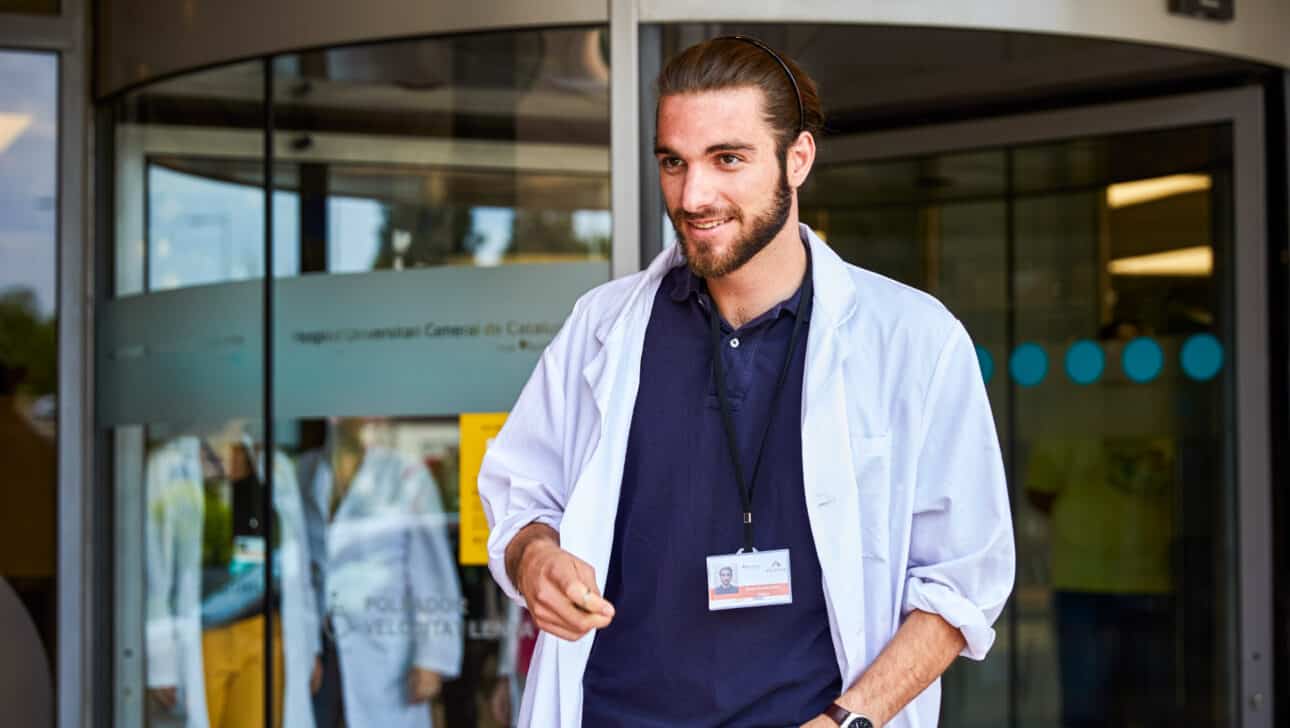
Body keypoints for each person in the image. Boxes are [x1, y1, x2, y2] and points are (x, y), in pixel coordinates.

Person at [478, 36, 1014, 727]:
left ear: (798, 159)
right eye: (674, 162)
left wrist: (848, 721)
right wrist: (535, 559)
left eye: (727, 159)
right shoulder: (604, 325)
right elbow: (520, 489)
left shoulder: (912, 339)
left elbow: (960, 582)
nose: (694, 195)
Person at [296, 418, 463, 728]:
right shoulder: (304, 472)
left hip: (386, 648)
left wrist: (432, 658)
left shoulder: (405, 473)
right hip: (322, 644)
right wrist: (305, 647)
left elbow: (432, 570)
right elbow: (299, 569)